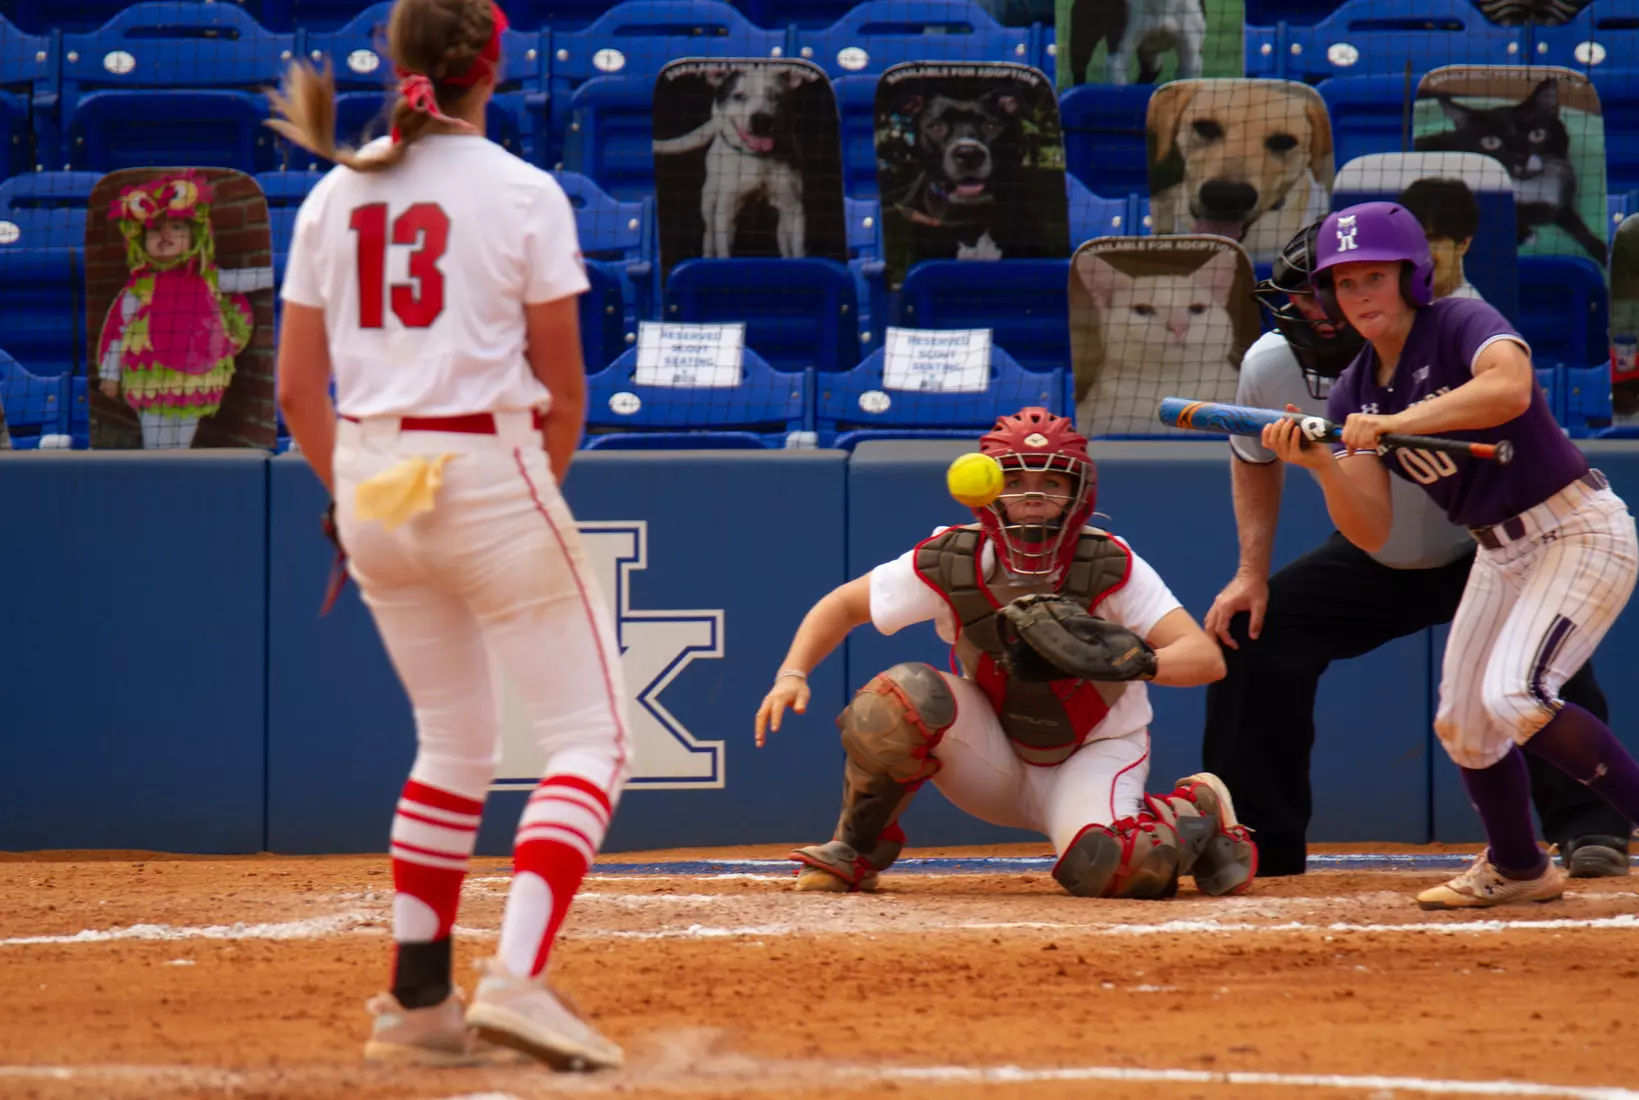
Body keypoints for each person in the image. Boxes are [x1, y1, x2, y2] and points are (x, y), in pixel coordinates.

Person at [272, 0, 628, 1070]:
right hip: (486, 460)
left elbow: (296, 391)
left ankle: (419, 997)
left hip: (376, 476)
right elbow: (565, 394)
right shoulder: (523, 192)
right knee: (588, 740)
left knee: (451, 743)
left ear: (398, 62)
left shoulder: (338, 189)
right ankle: (516, 978)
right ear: (495, 64)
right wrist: (520, 507)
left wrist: (356, 494)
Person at [1202, 220, 1631, 880]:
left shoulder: (1457, 321)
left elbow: (1509, 388)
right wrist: (1321, 463)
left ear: (1409, 277)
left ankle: (1593, 826)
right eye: (1338, 286)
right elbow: (1369, 527)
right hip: (1472, 551)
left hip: (1554, 531)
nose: (1350, 298)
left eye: (1372, 277)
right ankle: (1514, 870)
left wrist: (1395, 425)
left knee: (1522, 688)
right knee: (1456, 722)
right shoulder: (1346, 388)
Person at [755, 407, 1257, 900]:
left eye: (1052, 485)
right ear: (990, 490)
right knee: (895, 699)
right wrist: (791, 673)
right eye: (1016, 484)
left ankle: (1194, 810)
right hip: (993, 753)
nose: (1033, 499)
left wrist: (1135, 662)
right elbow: (843, 604)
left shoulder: (1109, 560)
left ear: (1077, 493)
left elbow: (1205, 659)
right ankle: (855, 850)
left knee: (1122, 868)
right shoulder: (952, 557)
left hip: (1096, 749)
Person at [1398, 178, 1482, 300]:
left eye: (1433, 239)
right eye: (1413, 237)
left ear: (1463, 244)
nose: (1421, 254)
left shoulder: (1468, 315)